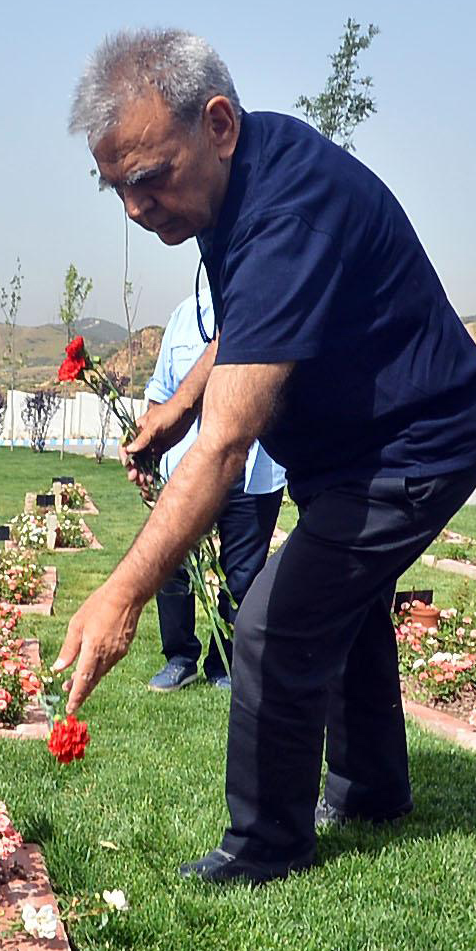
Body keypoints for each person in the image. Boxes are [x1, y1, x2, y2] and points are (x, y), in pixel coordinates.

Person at [52, 29, 476, 885]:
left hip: (417, 443)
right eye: (118, 189)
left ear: (217, 123)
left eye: (149, 179)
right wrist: (179, 404)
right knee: (345, 608)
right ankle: (370, 791)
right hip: (353, 451)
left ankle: (266, 848)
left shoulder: (289, 207)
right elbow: (252, 325)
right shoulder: (243, 179)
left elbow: (228, 448)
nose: (137, 211)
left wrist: (122, 594)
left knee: (275, 622)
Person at [145, 284, 284, 693]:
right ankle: (180, 657)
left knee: (242, 575)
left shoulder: (266, 308)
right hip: (188, 470)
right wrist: (150, 458)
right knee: (173, 565)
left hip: (254, 470)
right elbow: (160, 393)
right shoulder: (186, 316)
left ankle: (224, 662)